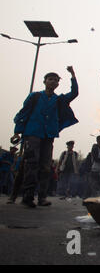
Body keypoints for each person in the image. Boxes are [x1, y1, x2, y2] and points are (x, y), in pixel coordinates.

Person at [11, 67, 78, 207]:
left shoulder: (59, 100)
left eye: (56, 80)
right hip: (33, 133)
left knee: (45, 167)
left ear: (58, 84)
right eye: (50, 79)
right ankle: (27, 197)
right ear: (45, 82)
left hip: (48, 135)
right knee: (31, 164)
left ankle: (42, 197)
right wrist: (17, 131)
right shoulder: (34, 96)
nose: (53, 81)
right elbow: (23, 113)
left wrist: (73, 75)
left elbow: (74, 93)